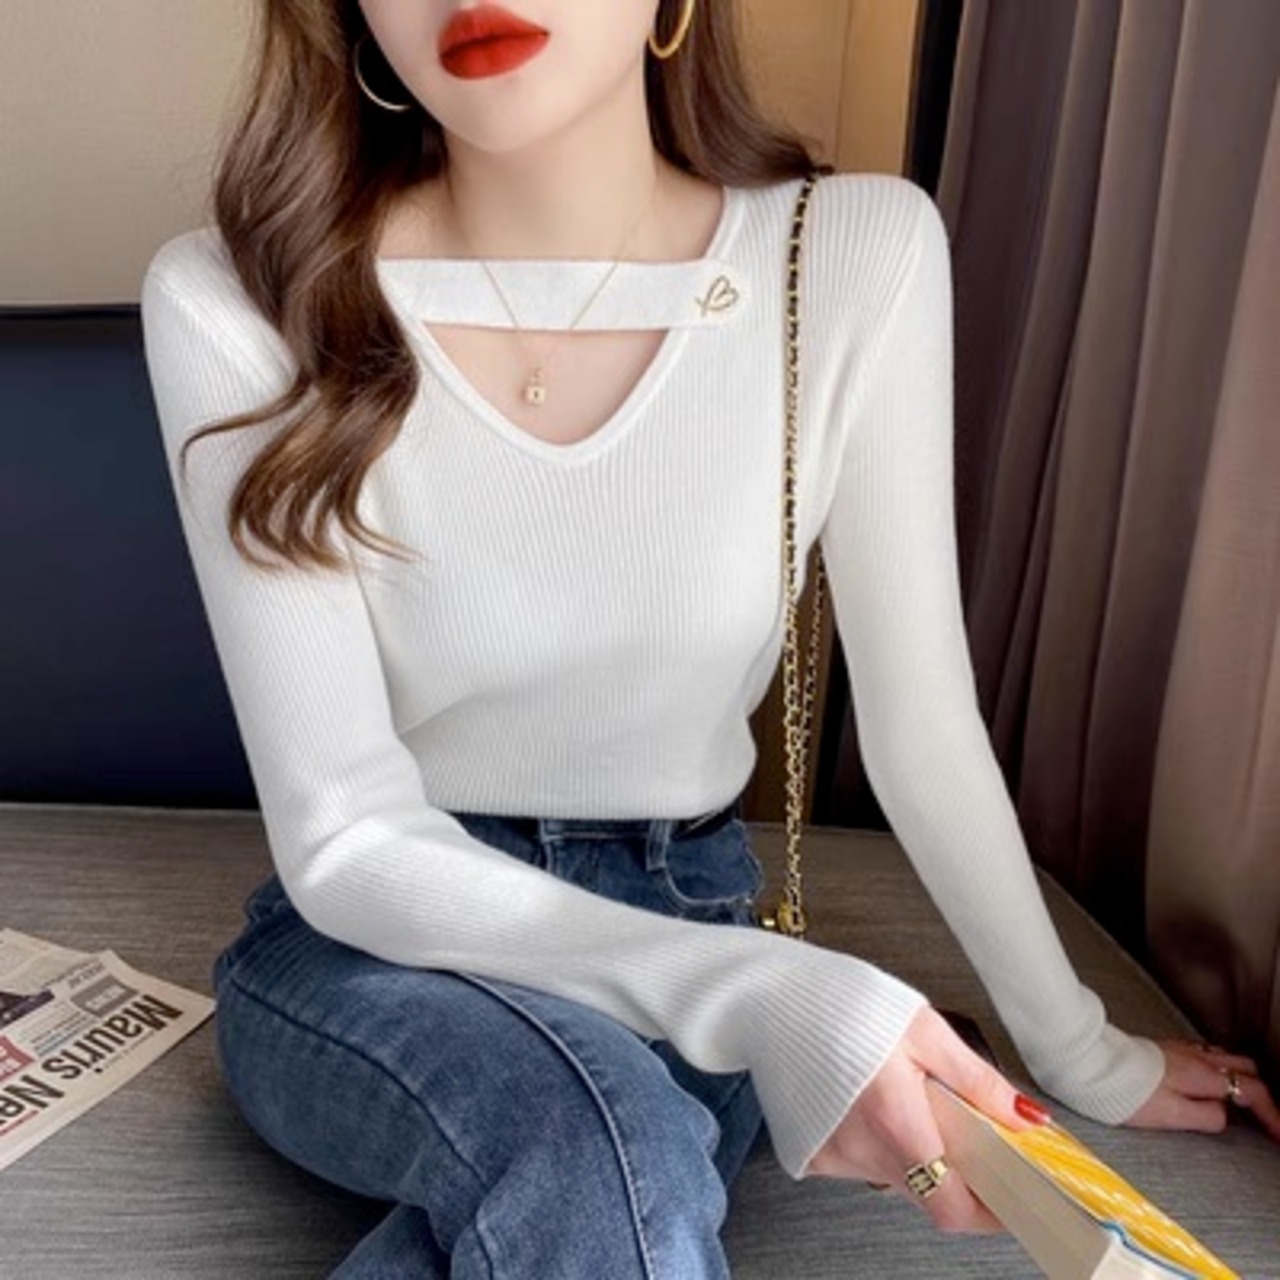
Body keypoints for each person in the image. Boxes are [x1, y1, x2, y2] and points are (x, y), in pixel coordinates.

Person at [139, 1, 1280, 1275]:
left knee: (599, 1163)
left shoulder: (844, 255)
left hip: (689, 906)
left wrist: (1080, 1048)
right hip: (371, 946)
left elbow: (918, 726)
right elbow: (346, 840)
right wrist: (762, 994)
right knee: (589, 1136)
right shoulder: (241, 296)